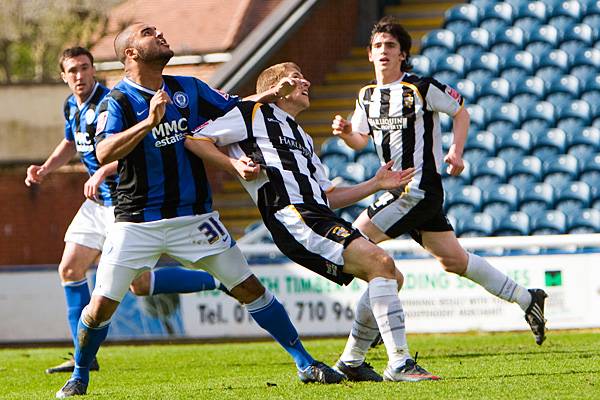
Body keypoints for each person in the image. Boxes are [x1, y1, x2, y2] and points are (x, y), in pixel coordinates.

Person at [54, 25, 343, 399]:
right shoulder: (119, 102)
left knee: (251, 288)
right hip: (137, 222)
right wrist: (147, 123)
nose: (159, 33)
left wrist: (271, 94)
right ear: (131, 54)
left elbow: (235, 108)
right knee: (100, 308)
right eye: (147, 32)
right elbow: (104, 152)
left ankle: (305, 363)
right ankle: (79, 374)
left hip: (195, 217)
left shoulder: (188, 87)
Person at [186, 61, 440, 383]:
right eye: (297, 77)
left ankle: (351, 362)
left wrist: (374, 185)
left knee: (391, 275)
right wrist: (235, 164)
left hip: (317, 212)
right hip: (292, 215)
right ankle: (400, 364)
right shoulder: (252, 113)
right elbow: (195, 139)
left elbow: (328, 196)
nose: (305, 82)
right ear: (278, 89)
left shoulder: (303, 136)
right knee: (381, 262)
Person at [330, 17, 548, 364]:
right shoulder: (366, 96)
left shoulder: (420, 87)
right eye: (377, 46)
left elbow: (461, 112)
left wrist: (456, 151)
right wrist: (344, 134)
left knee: (356, 244)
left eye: (390, 46)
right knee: (454, 261)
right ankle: (527, 299)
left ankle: (367, 338)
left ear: (403, 55)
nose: (383, 51)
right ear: (369, 55)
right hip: (402, 193)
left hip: (416, 189)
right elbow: (359, 140)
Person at [25, 47, 225, 375]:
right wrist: (46, 169)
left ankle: (217, 282)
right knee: (70, 270)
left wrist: (103, 171)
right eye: (72, 70)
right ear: (64, 76)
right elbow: (71, 143)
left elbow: (135, 148)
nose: (79, 75)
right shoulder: (71, 106)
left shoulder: (114, 101)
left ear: (94, 70)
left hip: (124, 203)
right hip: (95, 204)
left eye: (85, 68)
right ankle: (82, 356)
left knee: (140, 286)